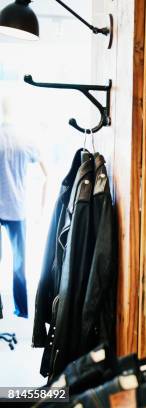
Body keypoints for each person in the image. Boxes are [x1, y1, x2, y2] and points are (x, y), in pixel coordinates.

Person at [0, 97, 46, 319]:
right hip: (17, 207)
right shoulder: (24, 140)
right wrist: (41, 206)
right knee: (19, 264)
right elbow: (45, 173)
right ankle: (22, 311)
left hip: (11, 207)